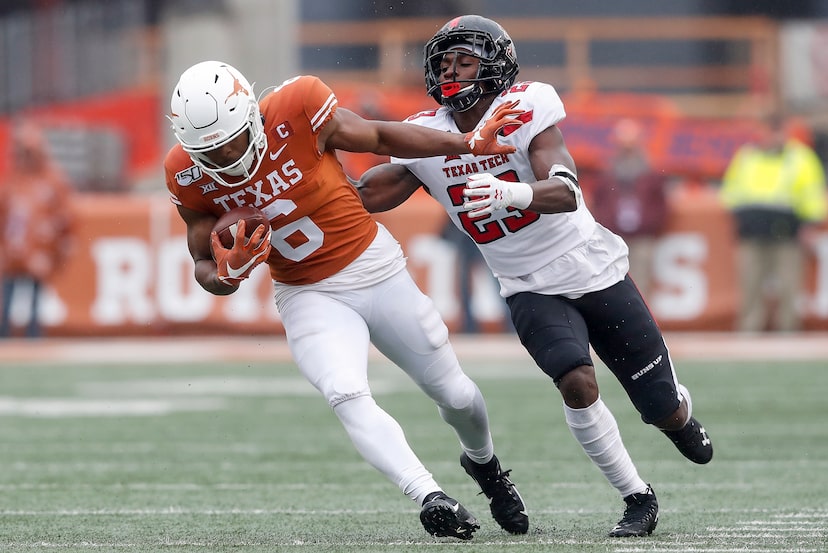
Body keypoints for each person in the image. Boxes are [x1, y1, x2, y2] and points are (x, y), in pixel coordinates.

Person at [356, 15, 713, 538]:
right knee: (575, 380)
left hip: (592, 269)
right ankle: (637, 495)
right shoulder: (427, 136)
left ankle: (678, 411)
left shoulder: (525, 109)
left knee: (660, 409)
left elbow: (566, 191)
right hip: (527, 285)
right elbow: (367, 194)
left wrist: (513, 192)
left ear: (496, 66)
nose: (452, 71)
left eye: (465, 60)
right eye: (444, 61)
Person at [163, 60, 528, 540]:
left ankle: (484, 464)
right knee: (344, 392)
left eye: (231, 140)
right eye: (211, 151)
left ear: (251, 114)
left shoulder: (299, 106)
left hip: (374, 266)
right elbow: (203, 263)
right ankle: (430, 496)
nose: (227, 157)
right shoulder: (185, 174)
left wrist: (464, 142)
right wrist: (226, 276)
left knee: (456, 394)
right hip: (307, 292)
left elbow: (377, 137)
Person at [720, 112, 828, 332]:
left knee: (789, 283)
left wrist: (809, 224)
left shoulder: (800, 158)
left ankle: (788, 329)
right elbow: (730, 190)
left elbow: (812, 194)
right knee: (750, 283)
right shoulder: (747, 156)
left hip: (786, 230)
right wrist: (739, 216)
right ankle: (750, 329)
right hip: (752, 229)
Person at [0, 119, 74, 338]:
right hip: (14, 254)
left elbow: (65, 218)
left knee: (33, 305)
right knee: (7, 303)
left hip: (38, 253)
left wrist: (54, 249)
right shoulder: (12, 182)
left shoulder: (52, 181)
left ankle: (33, 340)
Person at [590, 118, 669, 302]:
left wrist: (651, 224)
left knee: (642, 281)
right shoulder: (608, 170)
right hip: (614, 235)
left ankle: (642, 325)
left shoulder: (650, 170)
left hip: (642, 234)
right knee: (613, 281)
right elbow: (598, 200)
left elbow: (661, 202)